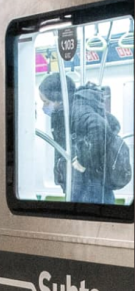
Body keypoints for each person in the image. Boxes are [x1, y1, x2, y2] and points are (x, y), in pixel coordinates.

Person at [38, 73, 115, 204]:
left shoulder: (78, 110)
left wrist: (83, 162)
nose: (44, 107)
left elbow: (100, 128)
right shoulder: (63, 113)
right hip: (80, 183)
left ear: (59, 99)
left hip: (90, 186)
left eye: (46, 102)